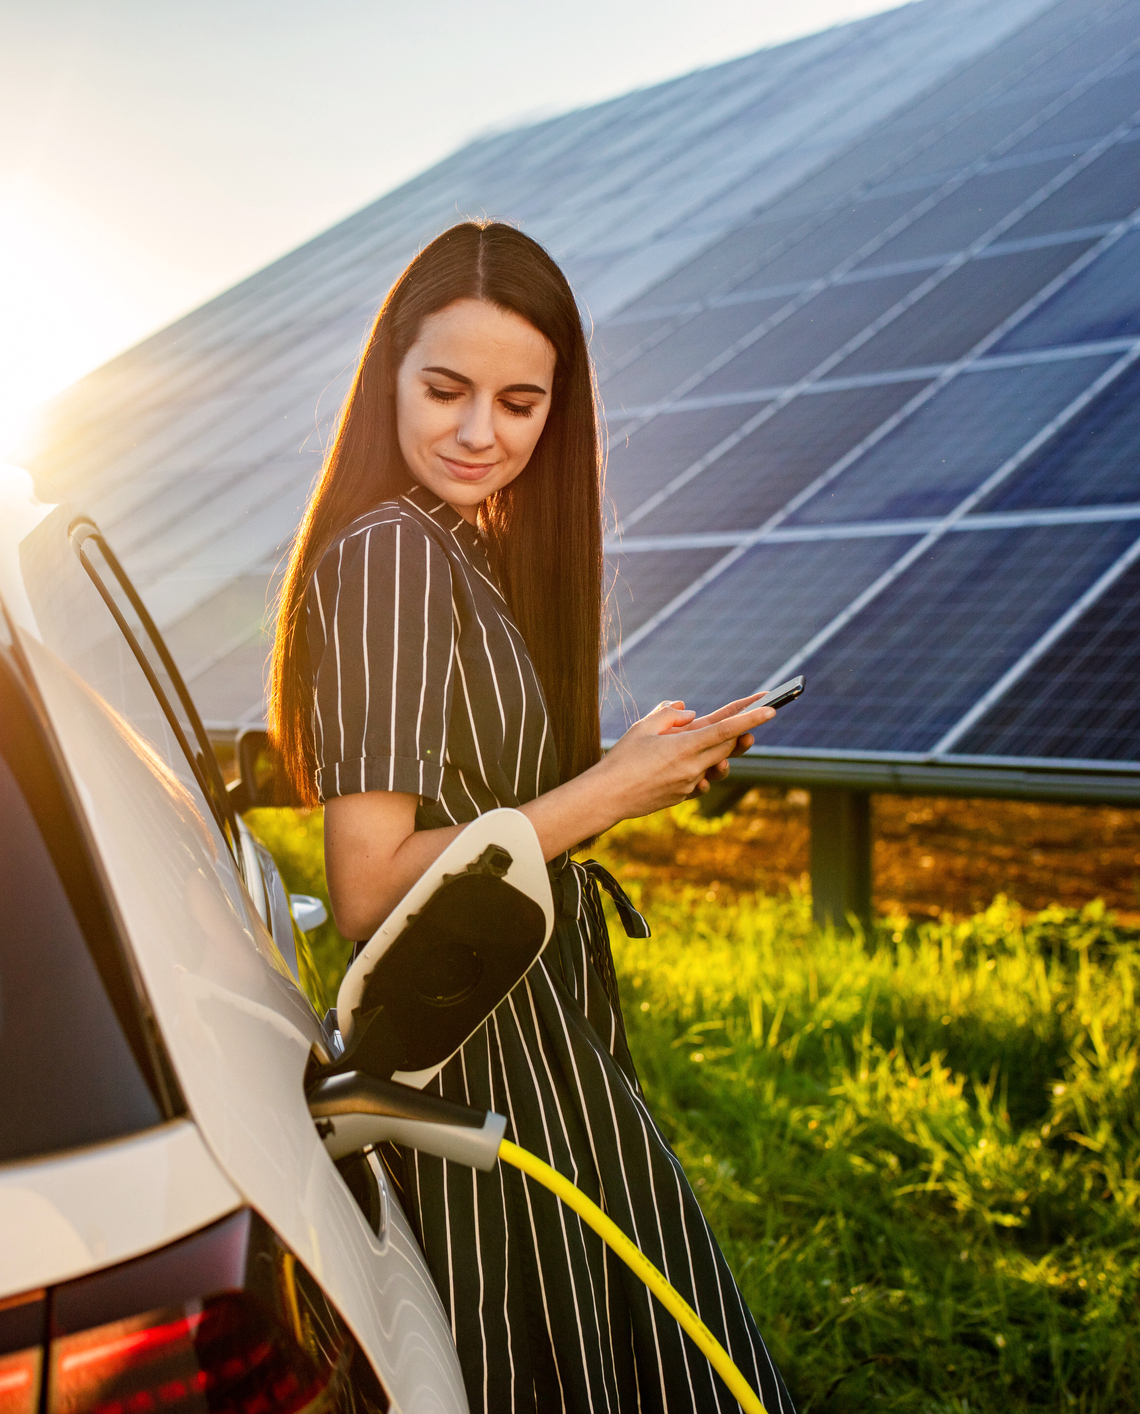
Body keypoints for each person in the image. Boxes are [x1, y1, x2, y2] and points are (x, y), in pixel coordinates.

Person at [269, 220, 797, 1413]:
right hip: (483, 1052)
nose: (478, 432)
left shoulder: (464, 553)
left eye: (520, 402)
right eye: (445, 389)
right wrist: (607, 792)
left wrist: (633, 768)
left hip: (535, 1026)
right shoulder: (391, 556)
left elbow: (495, 816)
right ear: (387, 379)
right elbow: (367, 882)